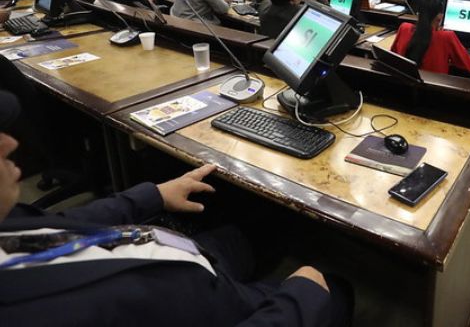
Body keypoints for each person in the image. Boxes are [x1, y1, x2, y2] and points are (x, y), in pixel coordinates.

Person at [0, 130, 352, 326]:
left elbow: (56, 228)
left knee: (267, 220)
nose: (9, 142)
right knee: (335, 289)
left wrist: (153, 194)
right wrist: (300, 301)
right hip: (220, 304)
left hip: (185, 256)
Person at [391, 0, 470, 75]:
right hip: (433, 89)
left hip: (403, 87)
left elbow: (393, 54)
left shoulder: (404, 28)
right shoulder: (447, 36)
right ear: (440, 17)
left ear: (418, 13)